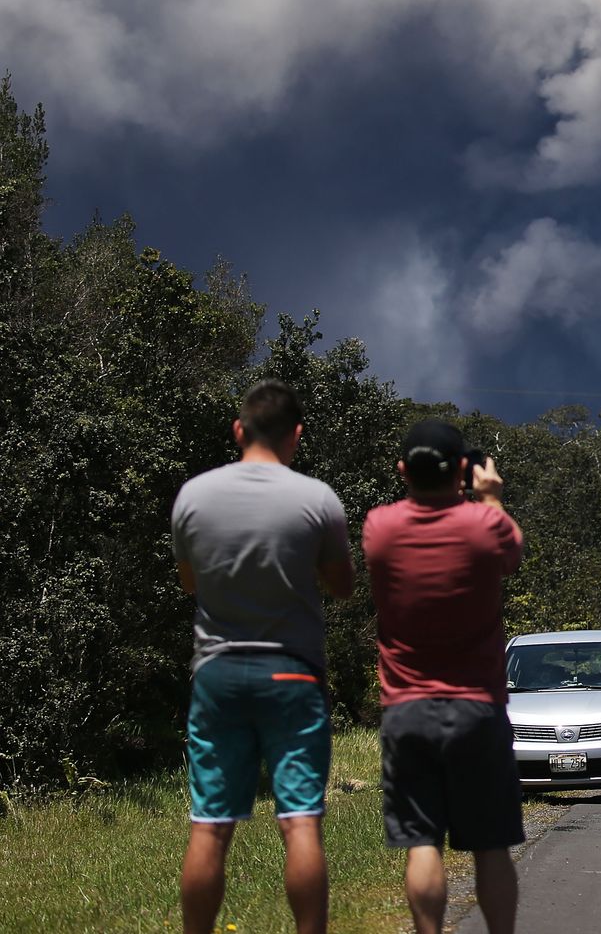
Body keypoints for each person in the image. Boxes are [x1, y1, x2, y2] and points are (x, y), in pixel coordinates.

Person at [171, 379, 354, 934]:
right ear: (297, 434)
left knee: (209, 825)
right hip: (292, 673)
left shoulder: (193, 496)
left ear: (237, 430)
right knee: (300, 824)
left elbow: (188, 584)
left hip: (218, 672)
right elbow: (342, 585)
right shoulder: (318, 499)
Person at [363, 420, 526, 934]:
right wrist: (491, 498)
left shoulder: (379, 528)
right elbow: (512, 556)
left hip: (407, 709)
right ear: (462, 470)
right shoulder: (485, 526)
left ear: (402, 471)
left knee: (422, 843)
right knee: (490, 845)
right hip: (477, 709)